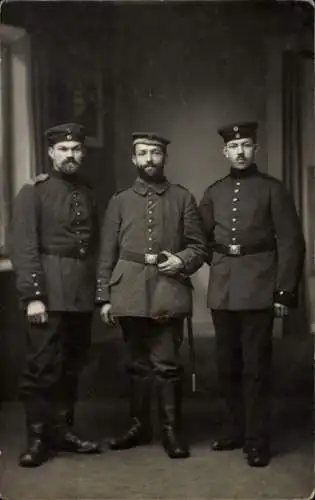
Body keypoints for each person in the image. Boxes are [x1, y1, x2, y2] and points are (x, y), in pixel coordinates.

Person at [199, 121, 305, 467]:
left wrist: (284, 292)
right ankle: (235, 429)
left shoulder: (273, 189)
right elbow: (198, 240)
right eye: (234, 147)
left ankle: (257, 438)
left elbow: (291, 242)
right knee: (226, 365)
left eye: (246, 145)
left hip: (260, 287)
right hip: (223, 288)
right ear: (225, 152)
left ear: (254, 149)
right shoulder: (214, 192)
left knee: (256, 366)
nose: (240, 151)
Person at [96, 132, 206, 459]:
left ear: (164, 158)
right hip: (128, 288)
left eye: (155, 153)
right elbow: (106, 251)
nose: (149, 159)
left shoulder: (182, 198)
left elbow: (199, 247)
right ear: (133, 159)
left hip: (167, 288)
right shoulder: (119, 200)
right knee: (136, 364)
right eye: (142, 153)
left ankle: (172, 432)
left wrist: (182, 261)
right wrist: (104, 297)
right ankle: (139, 427)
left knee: (167, 364)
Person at [11, 123, 101, 467]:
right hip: (48, 292)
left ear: (83, 152)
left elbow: (91, 246)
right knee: (42, 366)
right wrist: (33, 295)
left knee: (71, 365)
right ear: (51, 153)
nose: (70, 155)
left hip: (79, 292)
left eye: (76, 149)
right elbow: (25, 246)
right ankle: (37, 440)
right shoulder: (33, 192)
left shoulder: (88, 193)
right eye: (63, 150)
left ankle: (62, 432)